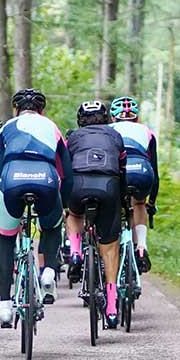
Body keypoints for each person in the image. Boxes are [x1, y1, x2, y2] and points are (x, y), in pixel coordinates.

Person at [0, 88, 72, 327]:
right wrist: (64, 205)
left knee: (5, 239)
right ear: (41, 110)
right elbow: (66, 172)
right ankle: (48, 273)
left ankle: (5, 305)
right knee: (51, 226)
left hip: (12, 180)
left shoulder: (7, 127)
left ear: (16, 110)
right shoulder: (52, 127)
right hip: (45, 180)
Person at [64, 100, 126, 329]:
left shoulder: (72, 137)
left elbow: (64, 169)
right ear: (107, 118)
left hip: (79, 184)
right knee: (109, 247)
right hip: (108, 185)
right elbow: (122, 170)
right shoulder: (115, 135)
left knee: (74, 214)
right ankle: (111, 308)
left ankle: (76, 252)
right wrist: (122, 202)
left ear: (80, 120)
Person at [109, 96, 158, 272]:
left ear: (113, 117)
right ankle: (141, 247)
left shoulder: (108, 130)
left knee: (111, 204)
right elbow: (155, 171)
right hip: (142, 171)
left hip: (117, 171)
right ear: (136, 117)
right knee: (139, 203)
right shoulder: (147, 131)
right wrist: (151, 202)